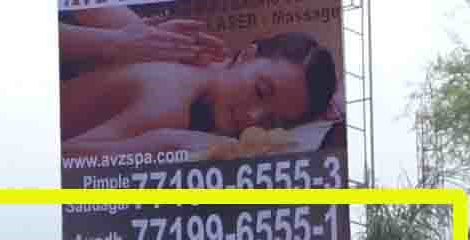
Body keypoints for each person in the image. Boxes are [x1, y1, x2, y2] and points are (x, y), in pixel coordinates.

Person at [56, 24, 341, 162]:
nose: (252, 118)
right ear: (246, 56)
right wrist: (162, 143)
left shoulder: (197, 57)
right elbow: (62, 160)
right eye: (260, 91)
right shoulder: (170, 106)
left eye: (271, 121)